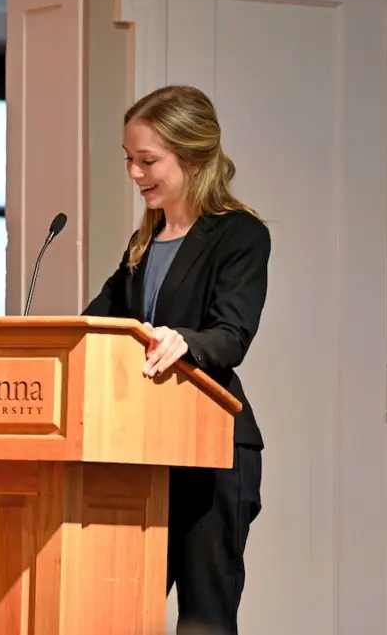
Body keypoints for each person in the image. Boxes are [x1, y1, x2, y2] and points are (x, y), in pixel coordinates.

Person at [83, 85, 270, 635]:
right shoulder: (145, 240)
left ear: (191, 157)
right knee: (119, 615)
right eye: (129, 160)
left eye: (147, 161)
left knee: (202, 621)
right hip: (146, 452)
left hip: (213, 448)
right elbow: (100, 322)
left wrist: (184, 339)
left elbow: (230, 336)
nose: (135, 173)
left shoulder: (238, 235)